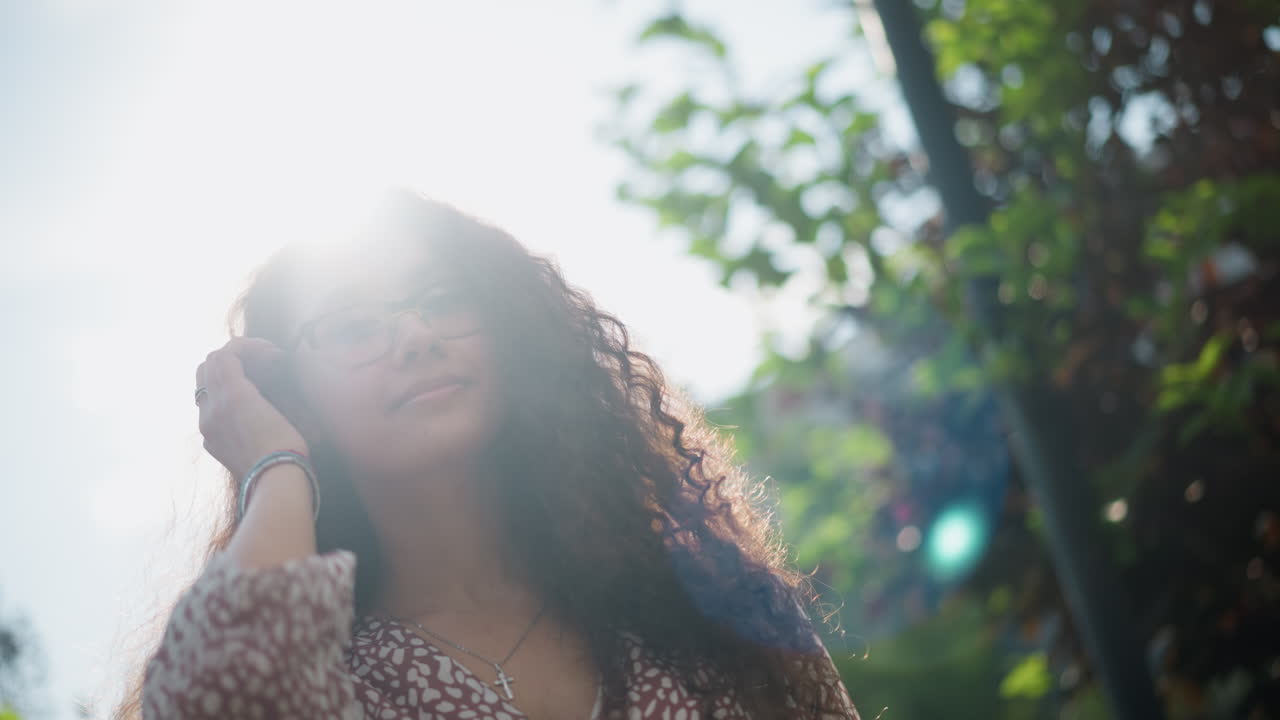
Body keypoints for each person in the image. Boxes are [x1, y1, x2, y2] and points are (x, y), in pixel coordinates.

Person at [115, 189, 860, 719]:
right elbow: (216, 697)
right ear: (298, 400)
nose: (416, 336)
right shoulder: (337, 675)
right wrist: (273, 468)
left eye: (440, 297)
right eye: (351, 327)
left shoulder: (707, 600)